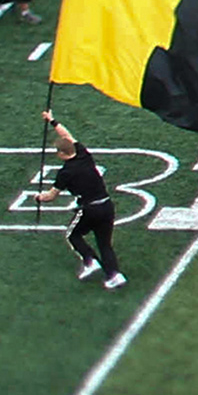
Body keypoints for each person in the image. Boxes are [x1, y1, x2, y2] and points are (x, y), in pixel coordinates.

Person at [48, 115, 125, 289]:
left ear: (61, 154)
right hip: (106, 205)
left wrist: (38, 198)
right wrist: (52, 120)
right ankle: (115, 275)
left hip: (89, 209)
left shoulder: (65, 173)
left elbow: (51, 196)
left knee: (73, 235)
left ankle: (90, 260)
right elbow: (67, 135)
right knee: (104, 243)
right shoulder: (83, 153)